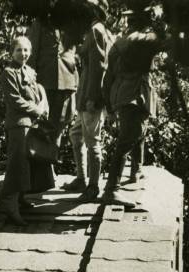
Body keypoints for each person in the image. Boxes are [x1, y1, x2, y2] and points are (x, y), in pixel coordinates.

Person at [101, 6, 163, 207]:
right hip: (133, 95)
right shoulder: (138, 42)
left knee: (138, 132)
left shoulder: (120, 41)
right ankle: (112, 189)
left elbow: (108, 76)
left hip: (127, 93)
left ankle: (136, 171)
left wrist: (109, 103)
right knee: (129, 137)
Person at [0, 36, 51, 226]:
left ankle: (20, 198)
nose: (23, 54)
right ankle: (9, 203)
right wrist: (36, 110)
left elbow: (36, 92)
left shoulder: (30, 71)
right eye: (19, 50)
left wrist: (42, 105)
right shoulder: (8, 73)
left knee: (27, 164)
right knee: (17, 164)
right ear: (12, 52)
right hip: (18, 124)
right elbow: (15, 99)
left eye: (26, 50)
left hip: (32, 124)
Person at [63, 0, 113, 202]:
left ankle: (93, 186)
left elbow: (99, 68)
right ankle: (82, 179)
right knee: (76, 134)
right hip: (85, 93)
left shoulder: (96, 30)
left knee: (93, 141)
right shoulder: (97, 30)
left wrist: (94, 98)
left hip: (91, 95)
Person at [27, 18, 78, 148]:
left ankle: (51, 161)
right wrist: (30, 79)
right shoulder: (40, 22)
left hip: (67, 79)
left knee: (61, 123)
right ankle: (42, 163)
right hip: (45, 79)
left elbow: (76, 51)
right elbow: (32, 53)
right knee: (43, 122)